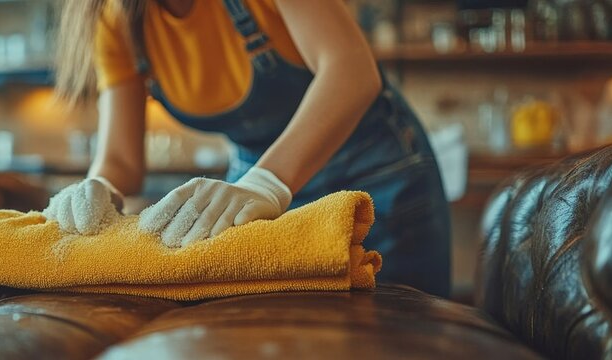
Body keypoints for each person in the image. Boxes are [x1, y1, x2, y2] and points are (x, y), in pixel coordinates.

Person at [44, 0, 451, 297]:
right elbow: (121, 161)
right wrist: (99, 188)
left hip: (374, 176)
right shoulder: (117, 19)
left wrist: (267, 183)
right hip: (254, 186)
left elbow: (351, 70)